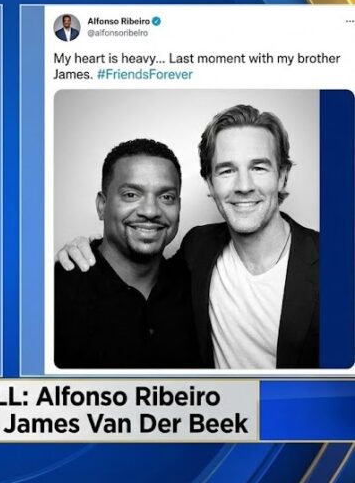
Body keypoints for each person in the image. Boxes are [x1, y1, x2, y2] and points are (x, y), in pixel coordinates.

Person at [59, 105, 318, 369]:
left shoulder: (338, 265)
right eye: (227, 170)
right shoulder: (198, 248)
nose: (243, 186)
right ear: (210, 184)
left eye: (259, 168)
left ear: (282, 177)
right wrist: (85, 249)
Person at [55, 139, 199, 368]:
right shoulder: (53, 292)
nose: (150, 211)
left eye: (166, 197)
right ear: (102, 205)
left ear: (178, 207)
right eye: (131, 195)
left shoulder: (196, 285)